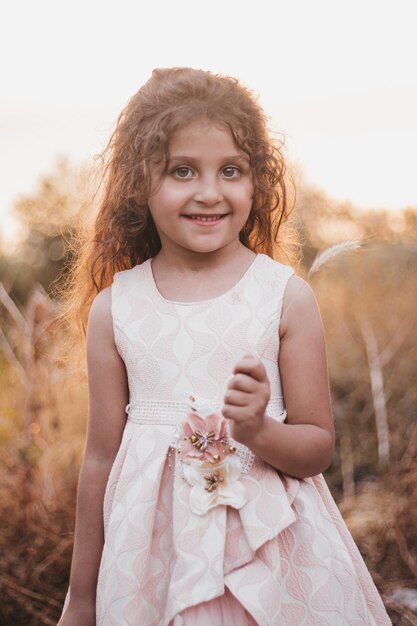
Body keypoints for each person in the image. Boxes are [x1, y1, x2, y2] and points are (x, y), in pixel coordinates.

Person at [58, 67, 391, 626]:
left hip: (278, 560)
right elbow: (99, 461)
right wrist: (83, 597)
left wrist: (259, 430)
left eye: (231, 170)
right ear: (139, 182)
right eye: (182, 170)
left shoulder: (284, 297)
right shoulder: (116, 308)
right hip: (151, 566)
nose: (209, 192)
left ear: (256, 181)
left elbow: (316, 447)